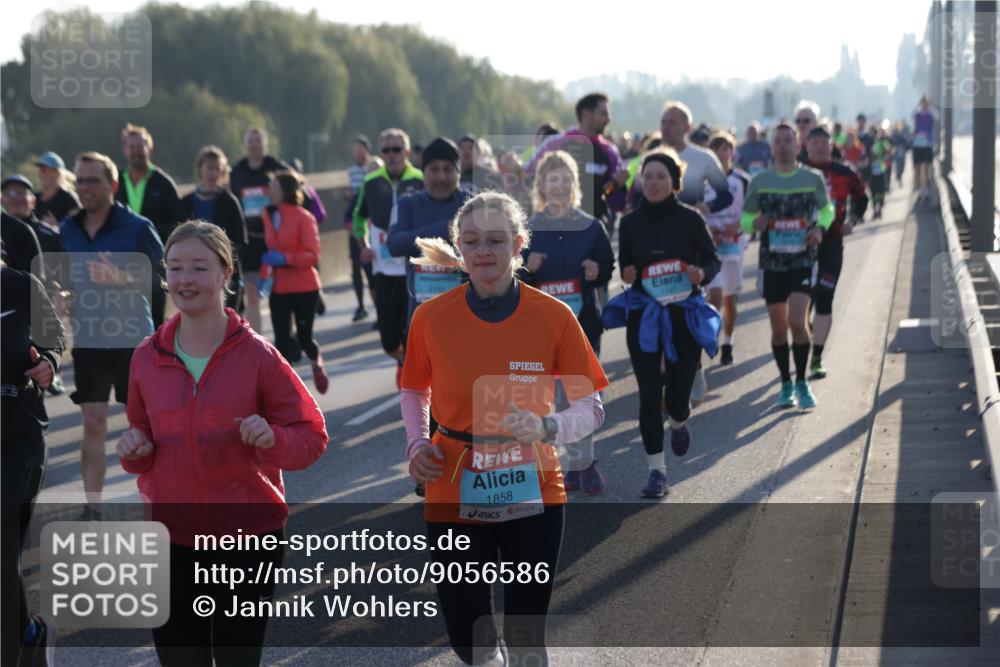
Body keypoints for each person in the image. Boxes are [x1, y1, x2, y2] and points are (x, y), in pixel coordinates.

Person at [403, 191, 608, 666]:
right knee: (466, 635)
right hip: (452, 480)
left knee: (525, 636)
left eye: (495, 241)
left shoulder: (554, 315)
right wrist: (416, 443)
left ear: (518, 246)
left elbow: (591, 407)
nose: (483, 252)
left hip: (534, 483)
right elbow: (414, 390)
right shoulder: (430, 317)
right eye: (471, 241)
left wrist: (546, 425)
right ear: (459, 247)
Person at [117, 220, 328, 667]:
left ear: (225, 274)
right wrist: (135, 449)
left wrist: (272, 440)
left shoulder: (258, 356)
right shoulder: (145, 358)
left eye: (198, 267)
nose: (184, 279)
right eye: (175, 268)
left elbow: (311, 436)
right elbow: (141, 443)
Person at [602, 149, 720, 498]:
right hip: (646, 315)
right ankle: (657, 472)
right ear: (641, 181)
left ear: (674, 183)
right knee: (650, 395)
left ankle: (680, 420)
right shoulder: (630, 223)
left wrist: (701, 273)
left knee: (678, 397)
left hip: (684, 313)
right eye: (648, 176)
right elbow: (626, 268)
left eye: (661, 177)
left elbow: (711, 262)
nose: (653, 182)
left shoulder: (689, 219)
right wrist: (627, 274)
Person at [59, 151, 165, 519]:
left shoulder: (137, 227)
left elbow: (163, 283)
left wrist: (124, 280)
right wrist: (62, 297)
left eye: (93, 181)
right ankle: (92, 508)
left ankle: (157, 504)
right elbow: (63, 279)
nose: (84, 188)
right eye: (79, 181)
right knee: (93, 423)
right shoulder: (68, 228)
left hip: (132, 340)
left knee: (143, 426)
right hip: (88, 340)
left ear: (112, 185)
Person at [521, 150, 615, 494]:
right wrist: (525, 268)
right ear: (542, 185)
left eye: (565, 179)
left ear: (574, 184)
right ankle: (573, 463)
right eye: (553, 179)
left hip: (584, 321)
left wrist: (597, 271)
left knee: (581, 391)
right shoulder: (529, 229)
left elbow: (607, 265)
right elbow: (512, 278)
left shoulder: (591, 226)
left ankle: (586, 463)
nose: (559, 186)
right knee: (556, 396)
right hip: (542, 329)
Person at [740, 124, 834, 410]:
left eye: (787, 141)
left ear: (797, 145)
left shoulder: (812, 178)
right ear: (772, 147)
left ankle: (802, 381)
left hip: (803, 260)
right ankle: (785, 383)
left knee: (797, 321)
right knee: (779, 329)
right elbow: (745, 217)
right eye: (777, 141)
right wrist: (752, 223)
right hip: (772, 263)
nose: (782, 145)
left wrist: (820, 229)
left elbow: (827, 209)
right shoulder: (760, 181)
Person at [1, 262, 64, 667]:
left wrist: (49, 363)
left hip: (18, 436)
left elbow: (53, 337)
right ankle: (29, 633)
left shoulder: (20, 285)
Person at [658, 100, 732, 403]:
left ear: (687, 127)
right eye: (664, 121)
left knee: (685, 309)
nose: (667, 127)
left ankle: (694, 364)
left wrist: (707, 206)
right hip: (657, 242)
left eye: (674, 121)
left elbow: (725, 194)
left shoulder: (702, 158)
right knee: (658, 309)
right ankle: (667, 382)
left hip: (690, 240)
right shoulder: (652, 158)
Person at [386, 137, 472, 386]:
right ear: (423, 173)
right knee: (428, 393)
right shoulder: (407, 204)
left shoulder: (473, 202)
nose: (441, 177)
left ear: (458, 172)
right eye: (434, 170)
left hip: (469, 311)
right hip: (423, 314)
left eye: (448, 169)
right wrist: (445, 228)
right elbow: (394, 244)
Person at [353, 128, 424, 374]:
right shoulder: (372, 183)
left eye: (396, 150)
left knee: (414, 332)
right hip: (384, 269)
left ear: (406, 152)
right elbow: (358, 219)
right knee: (388, 340)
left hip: (414, 270)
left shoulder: (420, 180)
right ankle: (403, 361)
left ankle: (415, 379)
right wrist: (364, 246)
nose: (391, 155)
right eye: (386, 150)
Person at [802, 126, 868, 379]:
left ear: (831, 146)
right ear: (807, 146)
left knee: (825, 295)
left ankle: (817, 357)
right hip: (800, 244)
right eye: (815, 142)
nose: (819, 146)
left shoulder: (844, 173)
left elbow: (862, 198)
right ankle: (804, 332)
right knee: (803, 297)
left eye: (823, 142)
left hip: (832, 241)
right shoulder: (797, 171)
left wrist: (853, 219)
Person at [260, 171, 328, 395]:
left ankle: (316, 360)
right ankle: (288, 390)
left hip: (305, 287)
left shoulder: (304, 217)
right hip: (279, 287)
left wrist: (286, 259)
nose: (270, 191)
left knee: (304, 338)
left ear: (286, 191)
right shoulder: (267, 215)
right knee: (281, 339)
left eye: (274, 187)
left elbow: (313, 255)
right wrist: (264, 276)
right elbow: (269, 249)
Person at [2, 174, 68, 395]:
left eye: (22, 193)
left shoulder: (28, 233)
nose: (17, 198)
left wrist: (47, 359)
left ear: (33, 200)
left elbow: (41, 280)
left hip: (21, 318)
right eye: (11, 193)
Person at [526, 93, 629, 228]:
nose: (608, 119)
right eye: (603, 113)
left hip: (594, 230)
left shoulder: (610, 152)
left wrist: (616, 185)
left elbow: (611, 199)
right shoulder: (556, 144)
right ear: (586, 114)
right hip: (554, 227)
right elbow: (528, 176)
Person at [114, 124, 181, 328]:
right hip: (119, 266)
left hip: (153, 266)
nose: (136, 151)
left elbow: (179, 224)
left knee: (154, 323)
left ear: (149, 149)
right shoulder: (115, 182)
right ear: (125, 151)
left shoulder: (164, 183)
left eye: (140, 146)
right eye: (131, 146)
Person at [230, 126, 293, 334]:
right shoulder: (237, 172)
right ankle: (257, 343)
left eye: (258, 141)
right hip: (249, 241)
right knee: (251, 294)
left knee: (281, 292)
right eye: (250, 141)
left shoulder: (278, 169)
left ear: (265, 144)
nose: (254, 145)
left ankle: (287, 336)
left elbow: (295, 195)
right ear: (245, 144)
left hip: (276, 238)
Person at [179, 145, 248, 311]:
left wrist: (217, 258)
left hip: (224, 275)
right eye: (209, 168)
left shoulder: (230, 201)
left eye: (217, 169)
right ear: (200, 170)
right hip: (192, 274)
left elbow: (239, 240)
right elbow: (177, 239)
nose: (213, 174)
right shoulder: (186, 203)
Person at [704, 133, 750, 366]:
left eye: (726, 149)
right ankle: (711, 335)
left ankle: (728, 342)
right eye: (717, 149)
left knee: (730, 298)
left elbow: (752, 212)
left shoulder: (742, 180)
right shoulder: (703, 181)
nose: (722, 154)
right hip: (711, 245)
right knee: (714, 295)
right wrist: (708, 230)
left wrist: (738, 225)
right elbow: (696, 211)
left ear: (732, 152)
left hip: (734, 245)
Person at [344, 135, 376, 321]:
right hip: (357, 218)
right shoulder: (351, 171)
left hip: (373, 224)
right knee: (356, 264)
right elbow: (355, 197)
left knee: (371, 268)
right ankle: (361, 305)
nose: (357, 153)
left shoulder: (373, 168)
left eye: (360, 149)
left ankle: (380, 308)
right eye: (354, 149)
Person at [33, 151, 80, 226]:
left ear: (57, 173)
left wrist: (58, 226)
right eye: (40, 170)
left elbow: (78, 230)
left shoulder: (69, 199)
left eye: (45, 170)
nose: (41, 174)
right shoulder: (34, 198)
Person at [912, 96, 936, 201]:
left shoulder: (931, 114)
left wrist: (930, 106)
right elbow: (912, 114)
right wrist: (919, 105)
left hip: (927, 145)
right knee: (917, 169)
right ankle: (919, 191)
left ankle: (926, 189)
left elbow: (937, 116)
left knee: (926, 167)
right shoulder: (917, 114)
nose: (925, 104)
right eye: (924, 103)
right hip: (917, 144)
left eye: (927, 103)